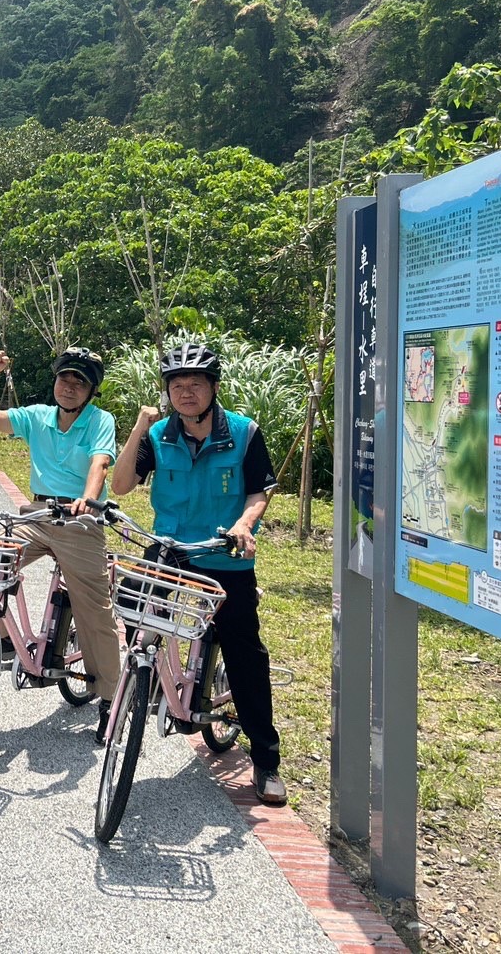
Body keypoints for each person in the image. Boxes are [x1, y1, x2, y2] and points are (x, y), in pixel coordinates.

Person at [109, 340, 286, 805]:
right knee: (130, 603)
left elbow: (258, 491)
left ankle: (266, 760)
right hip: (171, 548)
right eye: (177, 385)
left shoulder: (244, 432)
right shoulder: (160, 434)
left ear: (213, 388)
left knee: (244, 648)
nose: (186, 393)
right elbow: (122, 485)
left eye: (195, 384)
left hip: (224, 553)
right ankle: (148, 681)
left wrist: (246, 525)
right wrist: (138, 428)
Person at [0, 346, 121, 737]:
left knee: (94, 611)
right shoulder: (39, 416)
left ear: (91, 390)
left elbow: (100, 462)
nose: (70, 386)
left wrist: (89, 501)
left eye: (80, 381)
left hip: (80, 523)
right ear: (54, 381)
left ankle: (110, 697)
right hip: (39, 515)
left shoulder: (99, 420)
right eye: (65, 378)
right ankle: (6, 643)